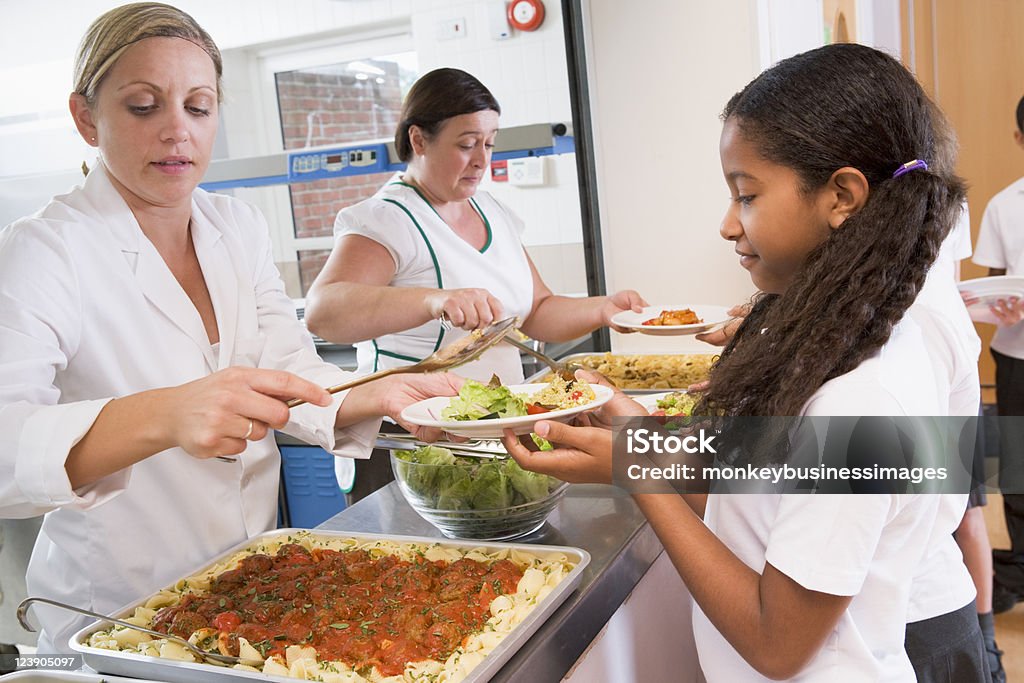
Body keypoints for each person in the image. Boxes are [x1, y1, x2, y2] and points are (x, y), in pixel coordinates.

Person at [503, 43, 986, 681]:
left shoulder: (861, 398)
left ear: (841, 196)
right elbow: (761, 508)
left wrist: (637, 473)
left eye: (747, 195)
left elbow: (777, 643)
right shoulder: (833, 349)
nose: (728, 225)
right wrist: (635, 442)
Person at [0, 3, 460, 653]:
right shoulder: (44, 249)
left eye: (198, 106)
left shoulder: (235, 228)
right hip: (116, 615)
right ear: (85, 117)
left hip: (248, 585)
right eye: (143, 106)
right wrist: (167, 413)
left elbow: (287, 362)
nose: (176, 131)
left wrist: (372, 393)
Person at [304, 67, 645, 499]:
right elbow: (324, 312)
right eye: (466, 144)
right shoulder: (387, 219)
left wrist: (603, 309)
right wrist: (434, 300)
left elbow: (537, 311)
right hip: (412, 447)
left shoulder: (492, 212)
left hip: (489, 438)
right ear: (418, 140)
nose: (482, 160)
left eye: (489, 143)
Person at [973, 93, 1024, 622]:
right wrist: (1001, 305)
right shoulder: (1006, 205)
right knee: (1018, 466)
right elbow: (992, 290)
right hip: (1017, 355)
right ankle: (1021, 566)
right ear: (1019, 140)